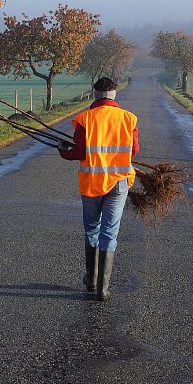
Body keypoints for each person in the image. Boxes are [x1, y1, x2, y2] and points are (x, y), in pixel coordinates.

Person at [58, 77, 139, 301]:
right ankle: (103, 289)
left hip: (92, 183)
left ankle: (91, 280)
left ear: (94, 94)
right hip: (119, 183)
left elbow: (79, 153)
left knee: (92, 229)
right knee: (109, 232)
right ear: (115, 94)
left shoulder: (84, 119)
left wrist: (63, 150)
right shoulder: (129, 119)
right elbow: (133, 152)